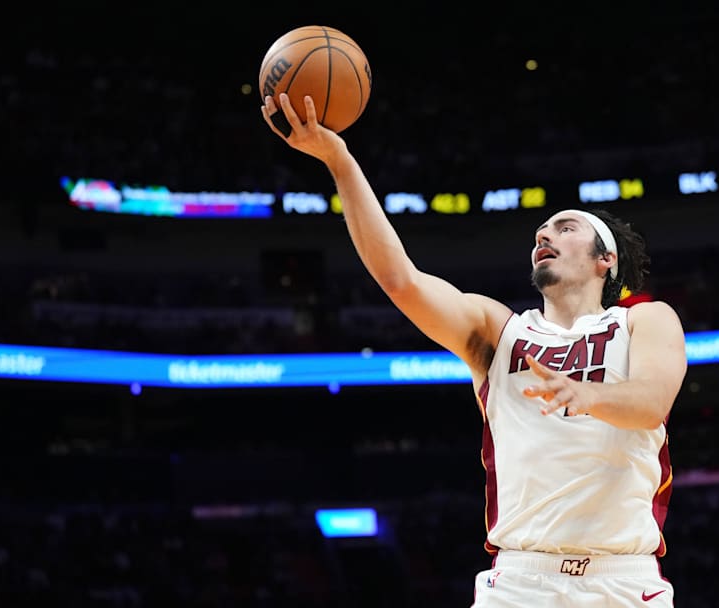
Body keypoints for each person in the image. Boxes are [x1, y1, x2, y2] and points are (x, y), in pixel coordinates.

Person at [262, 93, 689, 607]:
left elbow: (650, 404)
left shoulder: (644, 319)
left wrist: (583, 393)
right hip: (519, 582)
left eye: (565, 227)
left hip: (623, 581)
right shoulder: (498, 330)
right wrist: (340, 162)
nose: (543, 235)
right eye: (540, 232)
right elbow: (400, 280)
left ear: (606, 260)